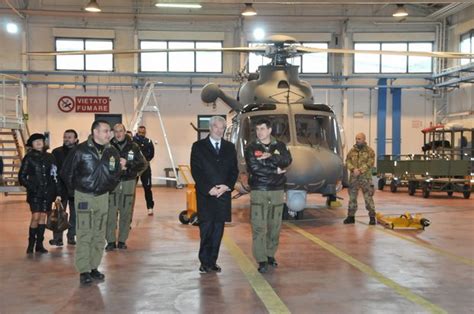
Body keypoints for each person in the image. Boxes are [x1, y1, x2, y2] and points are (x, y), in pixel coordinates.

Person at [61, 120, 123, 285]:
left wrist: (108, 187)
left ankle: (94, 267)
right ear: (95, 132)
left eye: (109, 131)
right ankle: (84, 270)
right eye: (105, 131)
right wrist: (76, 191)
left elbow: (116, 173)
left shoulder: (112, 151)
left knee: (99, 234)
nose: (109, 134)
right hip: (84, 197)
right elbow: (66, 172)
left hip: (102, 197)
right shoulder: (80, 150)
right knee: (84, 233)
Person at [191, 116, 238, 273]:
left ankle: (213, 261)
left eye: (222, 128)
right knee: (206, 230)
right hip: (206, 195)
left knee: (218, 231)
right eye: (216, 127)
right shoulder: (198, 147)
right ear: (210, 128)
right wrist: (209, 188)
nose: (219, 130)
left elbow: (234, 171)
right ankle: (204, 262)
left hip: (223, 195)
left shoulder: (230, 147)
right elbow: (196, 170)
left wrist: (227, 186)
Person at [244, 118, 292, 274]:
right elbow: (255, 168)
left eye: (262, 129)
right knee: (259, 227)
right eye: (257, 129)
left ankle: (270, 254)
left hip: (277, 191)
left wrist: (269, 157)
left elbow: (286, 160)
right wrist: (275, 170)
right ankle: (262, 259)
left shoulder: (280, 145)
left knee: (275, 227)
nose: (259, 132)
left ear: (270, 130)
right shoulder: (251, 147)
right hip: (259, 190)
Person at [106, 124, 148, 251]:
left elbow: (143, 164)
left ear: (125, 132)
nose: (118, 134)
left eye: (120, 131)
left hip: (128, 182)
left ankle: (122, 240)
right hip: (112, 183)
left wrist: (129, 166)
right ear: (113, 133)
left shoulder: (133, 147)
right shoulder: (108, 147)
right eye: (116, 131)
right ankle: (111, 241)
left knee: (126, 212)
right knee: (110, 213)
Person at [19, 133, 62, 254]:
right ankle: (31, 244)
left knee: (43, 217)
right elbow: (21, 177)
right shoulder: (28, 158)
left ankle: (39, 245)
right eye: (35, 141)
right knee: (35, 217)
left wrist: (58, 193)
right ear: (31, 144)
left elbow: (55, 176)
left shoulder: (50, 157)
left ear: (44, 143)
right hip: (35, 193)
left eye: (40, 140)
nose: (38, 143)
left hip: (48, 193)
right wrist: (32, 187)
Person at [50, 129, 79, 246]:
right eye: (65, 137)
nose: (67, 139)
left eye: (70, 137)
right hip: (60, 188)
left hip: (76, 188)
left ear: (76, 139)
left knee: (75, 214)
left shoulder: (80, 152)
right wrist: (55, 187)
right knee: (58, 214)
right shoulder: (56, 152)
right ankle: (57, 239)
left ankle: (71, 236)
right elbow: (53, 171)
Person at [343, 132, 376, 225]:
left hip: (365, 178)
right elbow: (347, 160)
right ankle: (351, 217)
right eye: (356, 138)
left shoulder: (370, 151)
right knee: (352, 198)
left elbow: (370, 162)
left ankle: (372, 217)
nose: (357, 140)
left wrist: (360, 170)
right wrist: (353, 169)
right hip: (354, 179)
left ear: (364, 139)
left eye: (359, 139)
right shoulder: (352, 151)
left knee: (368, 198)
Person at [133, 126, 155, 215]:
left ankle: (150, 207)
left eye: (143, 133)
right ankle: (128, 208)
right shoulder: (132, 141)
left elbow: (152, 153)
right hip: (135, 168)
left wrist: (145, 161)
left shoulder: (148, 141)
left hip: (145, 168)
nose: (142, 134)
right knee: (131, 188)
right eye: (140, 132)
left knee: (147, 188)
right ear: (137, 132)